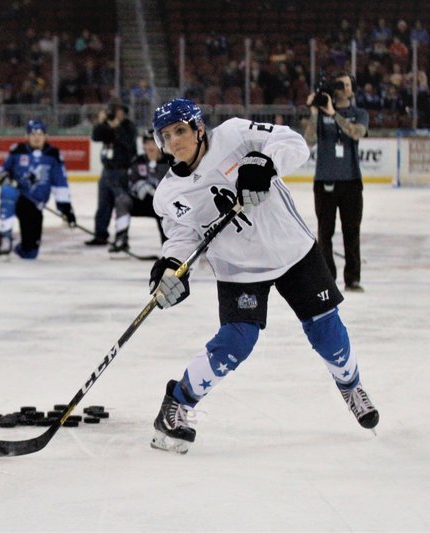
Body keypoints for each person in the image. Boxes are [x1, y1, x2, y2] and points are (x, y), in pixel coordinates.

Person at [147, 98, 379, 455]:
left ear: (198, 127)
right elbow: (182, 236)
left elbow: (293, 143)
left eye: (180, 130)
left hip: (291, 249)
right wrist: (169, 266)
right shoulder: (168, 194)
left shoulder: (235, 135)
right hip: (239, 267)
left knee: (326, 331)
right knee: (237, 342)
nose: (175, 140)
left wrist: (263, 163)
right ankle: (177, 403)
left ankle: (351, 386)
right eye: (167, 135)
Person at [303, 71, 369, 292]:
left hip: (351, 181)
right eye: (340, 84)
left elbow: (356, 133)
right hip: (324, 181)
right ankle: (327, 278)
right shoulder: (320, 116)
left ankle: (353, 278)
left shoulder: (359, 113)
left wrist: (334, 114)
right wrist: (315, 112)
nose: (344, 88)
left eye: (348, 84)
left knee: (352, 231)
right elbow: (309, 140)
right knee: (325, 232)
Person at [0, 119, 76, 259]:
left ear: (45, 135)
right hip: (19, 199)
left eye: (40, 134)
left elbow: (60, 183)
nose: (37, 137)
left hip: (35, 205)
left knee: (30, 253)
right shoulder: (17, 150)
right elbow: (3, 169)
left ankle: (19, 248)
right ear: (27, 136)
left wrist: (66, 209)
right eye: (33, 134)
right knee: (7, 192)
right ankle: (5, 237)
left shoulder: (53, 154)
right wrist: (5, 177)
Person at [86, 100, 137, 252]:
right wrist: (101, 123)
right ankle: (100, 234)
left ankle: (121, 236)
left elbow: (128, 144)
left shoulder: (128, 126)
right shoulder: (108, 127)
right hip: (107, 170)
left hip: (122, 170)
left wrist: (117, 127)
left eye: (117, 111)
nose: (114, 114)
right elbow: (95, 136)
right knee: (103, 205)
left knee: (121, 204)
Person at [125, 129, 170, 245]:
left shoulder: (169, 161)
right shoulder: (137, 161)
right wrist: (144, 189)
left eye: (154, 143)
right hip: (143, 202)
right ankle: (121, 239)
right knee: (122, 201)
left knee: (166, 212)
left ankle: (169, 246)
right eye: (147, 143)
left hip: (165, 203)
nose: (150, 146)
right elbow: (132, 182)